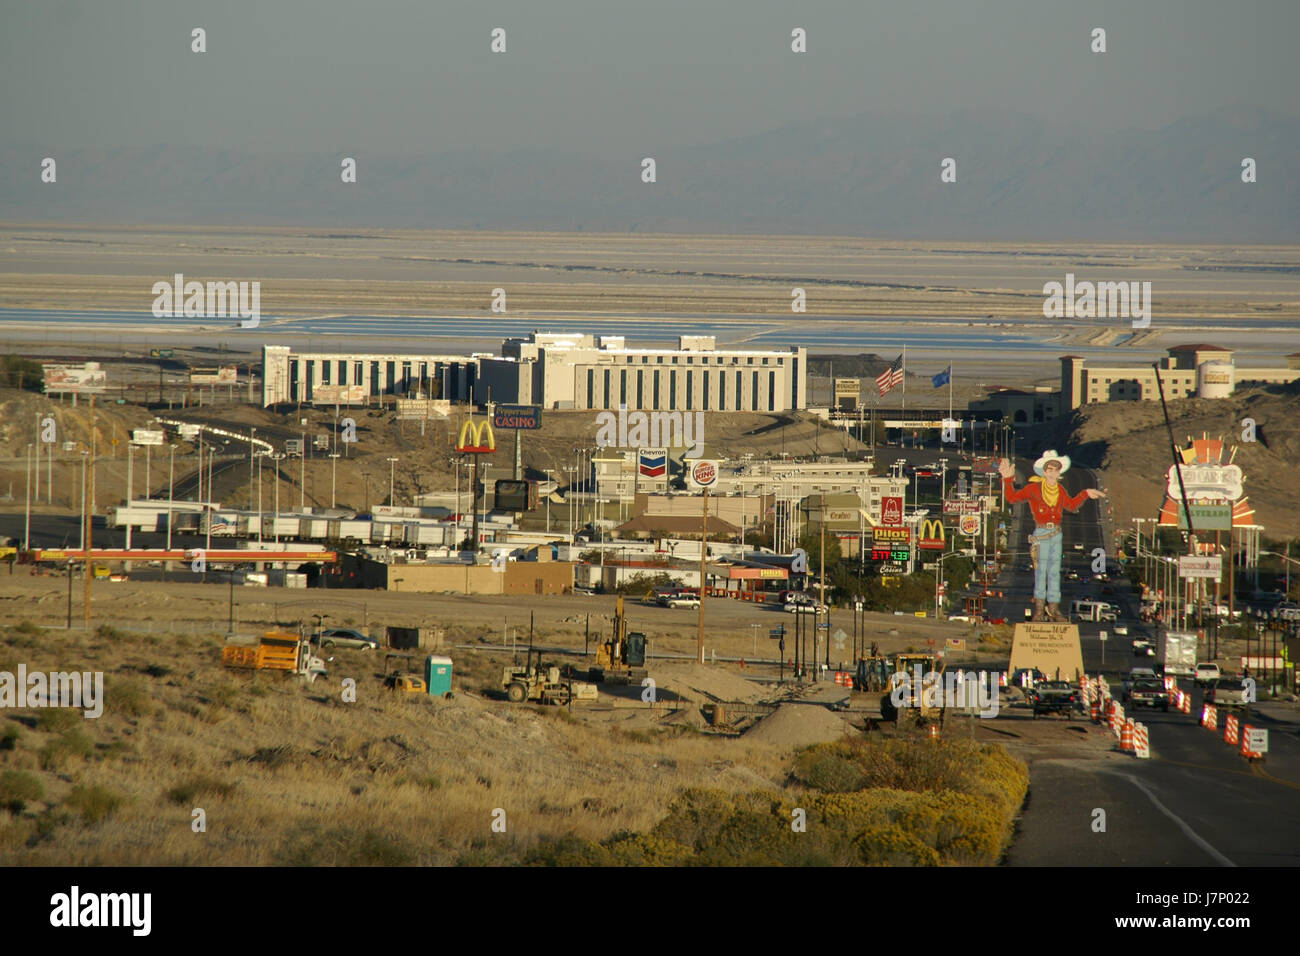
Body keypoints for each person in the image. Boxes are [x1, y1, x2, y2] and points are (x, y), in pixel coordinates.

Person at [999, 450, 1107, 622]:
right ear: (1044, 471)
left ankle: (1054, 609)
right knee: (1041, 572)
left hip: (1056, 534)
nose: (1052, 472)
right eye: (1049, 468)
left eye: (1056, 469)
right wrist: (1007, 479)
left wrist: (1085, 493)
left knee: (1054, 573)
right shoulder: (1033, 489)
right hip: (1041, 533)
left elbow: (1071, 506)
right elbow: (1012, 498)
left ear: (1059, 472)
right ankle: (1039, 610)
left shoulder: (1060, 490)